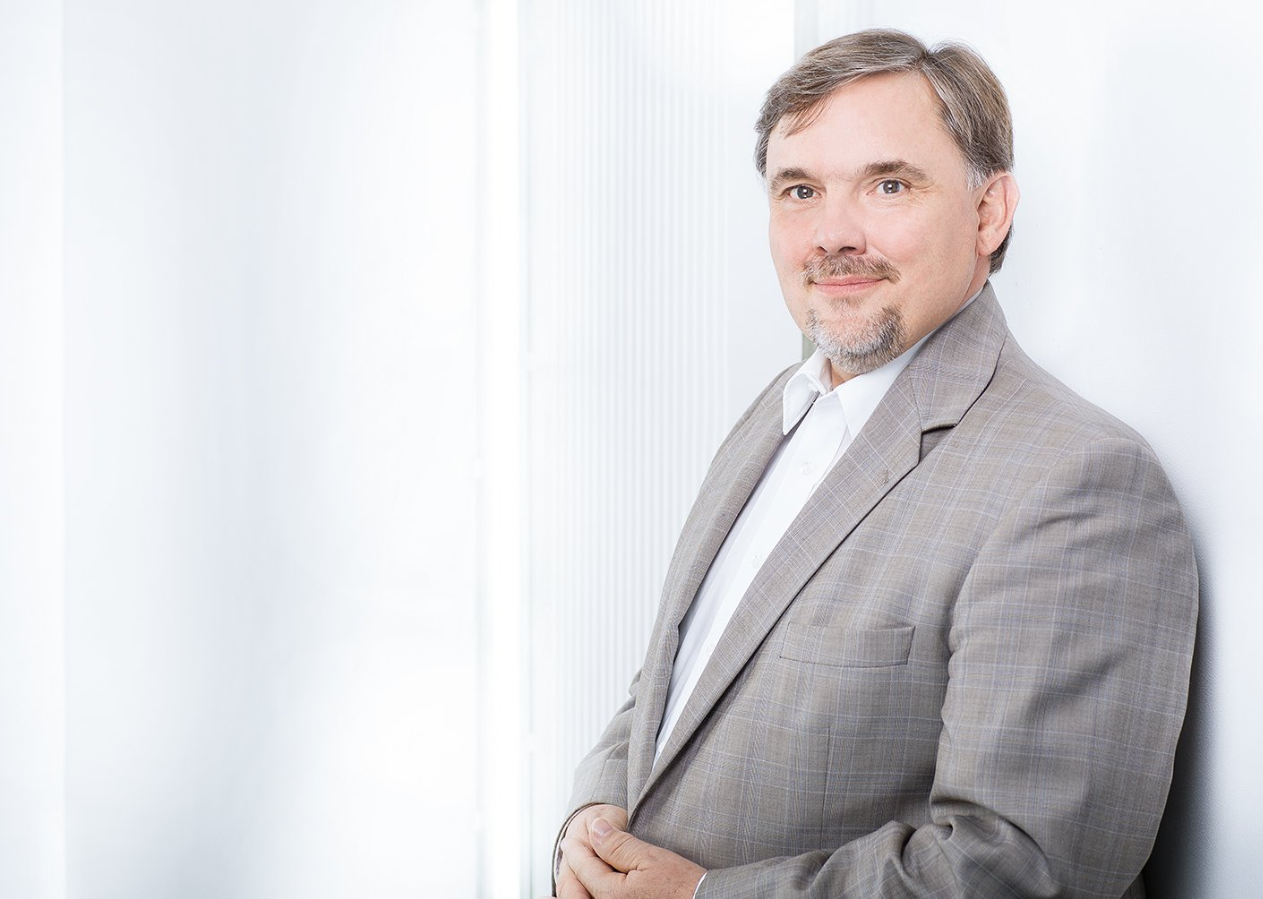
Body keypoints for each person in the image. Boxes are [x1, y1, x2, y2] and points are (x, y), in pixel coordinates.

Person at [552, 28, 1197, 899]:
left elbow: (1020, 868)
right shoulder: (780, 410)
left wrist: (699, 897)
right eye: (800, 190)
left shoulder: (1076, 484)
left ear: (987, 212)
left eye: (888, 184)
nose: (831, 235)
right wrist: (592, 814)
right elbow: (681, 676)